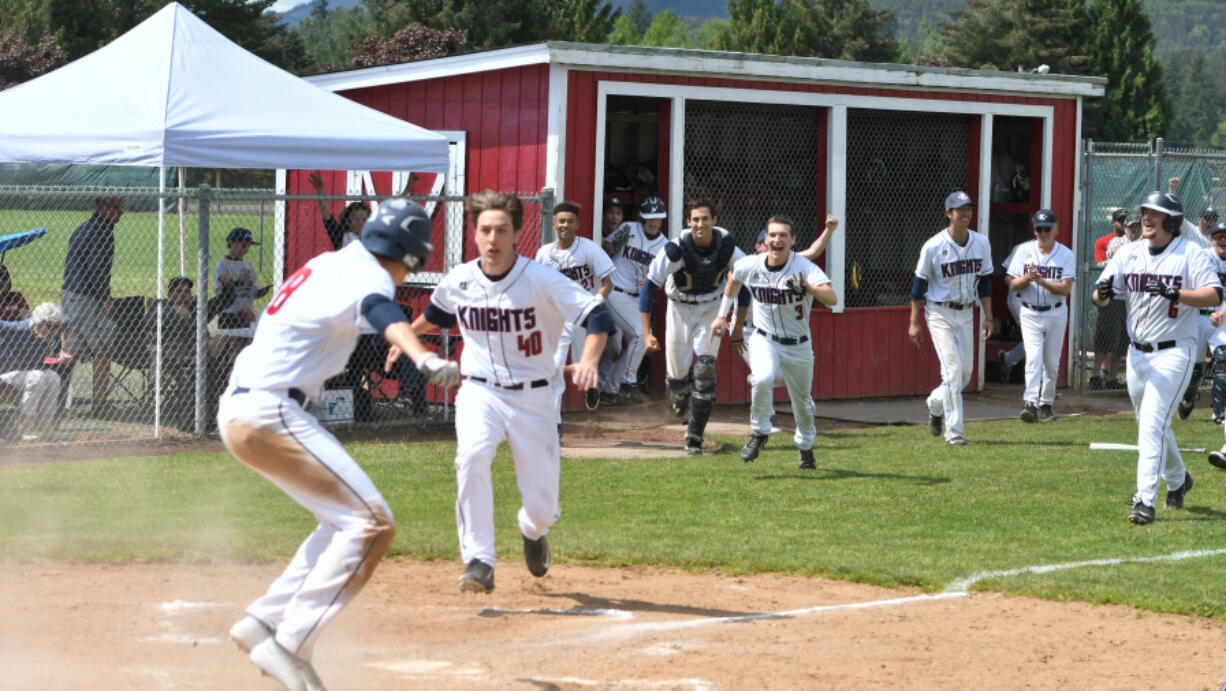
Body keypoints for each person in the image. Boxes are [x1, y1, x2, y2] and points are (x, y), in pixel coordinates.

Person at [219, 198, 460, 690]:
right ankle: (289, 644)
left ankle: (263, 621)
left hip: (246, 406)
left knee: (344, 520)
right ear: (408, 256)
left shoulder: (330, 262)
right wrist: (421, 355)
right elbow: (382, 310)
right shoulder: (368, 275)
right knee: (372, 523)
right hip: (269, 410)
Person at [410, 190, 613, 594]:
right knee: (470, 457)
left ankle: (531, 530)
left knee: (541, 508)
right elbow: (434, 316)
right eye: (485, 229)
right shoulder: (461, 279)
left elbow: (598, 315)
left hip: (534, 398)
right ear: (475, 233)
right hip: (479, 391)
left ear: (517, 232)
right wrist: (404, 338)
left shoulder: (541, 279)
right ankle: (479, 559)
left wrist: (589, 359)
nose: (492, 238)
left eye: (501, 229)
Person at [1093, 191, 1221, 525]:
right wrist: (1101, 295)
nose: (1147, 218)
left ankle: (1144, 500)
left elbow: (1215, 293)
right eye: (1145, 212)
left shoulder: (1191, 253)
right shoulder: (1129, 253)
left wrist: (1177, 293)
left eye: (1156, 213)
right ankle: (1179, 481)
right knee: (1153, 425)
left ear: (1173, 220)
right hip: (1137, 354)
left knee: (1152, 423)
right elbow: (1100, 295)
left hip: (1176, 351)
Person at [712, 215, 836, 468]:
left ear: (792, 240)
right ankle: (759, 433)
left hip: (799, 345)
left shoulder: (803, 266)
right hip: (764, 339)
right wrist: (720, 316)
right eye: (772, 235)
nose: (777, 239)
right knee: (762, 377)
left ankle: (805, 447)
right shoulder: (751, 264)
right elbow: (734, 279)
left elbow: (832, 298)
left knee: (802, 402)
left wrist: (809, 288)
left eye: (782, 235)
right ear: (765, 239)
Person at [639, 198, 747, 455]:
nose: (700, 224)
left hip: (712, 309)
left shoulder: (728, 248)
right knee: (677, 379)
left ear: (714, 221)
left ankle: (694, 437)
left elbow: (744, 289)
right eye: (695, 219)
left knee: (705, 371)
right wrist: (646, 333)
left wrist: (738, 329)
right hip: (679, 309)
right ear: (688, 222)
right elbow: (648, 290)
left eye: (705, 219)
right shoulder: (675, 250)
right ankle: (678, 392)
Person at [908, 191, 994, 446]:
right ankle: (954, 432)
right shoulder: (933, 246)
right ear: (949, 213)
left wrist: (988, 316)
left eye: (968, 208)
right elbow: (917, 288)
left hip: (967, 312)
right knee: (954, 370)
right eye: (959, 209)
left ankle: (935, 405)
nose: (965, 213)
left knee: (964, 374)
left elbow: (986, 282)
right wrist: (914, 322)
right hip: (939, 312)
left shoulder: (982, 243)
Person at [535, 200, 613, 439]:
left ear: (577, 224)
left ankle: (591, 387)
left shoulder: (588, 249)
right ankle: (555, 426)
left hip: (583, 314)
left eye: (569, 221)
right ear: (554, 224)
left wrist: (593, 306)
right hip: (557, 317)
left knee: (584, 367)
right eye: (561, 221)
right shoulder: (544, 253)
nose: (565, 225)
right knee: (555, 367)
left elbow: (607, 284)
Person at [1005, 209, 1076, 422]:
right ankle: (1031, 403)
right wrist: (1028, 277)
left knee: (1051, 362)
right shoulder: (1024, 251)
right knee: (1033, 359)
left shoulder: (1066, 254)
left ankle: (1046, 403)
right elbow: (1011, 282)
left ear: (1056, 230)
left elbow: (1065, 290)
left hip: (1056, 311)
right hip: (1030, 311)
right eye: (1039, 229)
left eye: (1047, 228)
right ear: (1034, 230)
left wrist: (1041, 281)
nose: (1043, 233)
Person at [599, 196, 670, 407]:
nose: (653, 222)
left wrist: (653, 281)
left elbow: (664, 280)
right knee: (641, 334)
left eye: (658, 218)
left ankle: (611, 390)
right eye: (649, 217)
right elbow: (605, 246)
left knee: (638, 340)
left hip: (637, 299)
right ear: (642, 217)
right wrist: (611, 246)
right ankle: (627, 381)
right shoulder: (629, 228)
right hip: (615, 292)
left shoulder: (665, 246)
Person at [142, 276, 236, 431]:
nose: (183, 295)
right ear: (170, 294)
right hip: (175, 356)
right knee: (199, 356)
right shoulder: (161, 306)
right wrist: (172, 311)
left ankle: (216, 408)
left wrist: (228, 286)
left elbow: (224, 301)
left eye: (187, 292)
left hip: (203, 354)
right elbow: (147, 321)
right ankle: (203, 411)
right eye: (178, 291)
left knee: (222, 338)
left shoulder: (197, 308)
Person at [61, 195, 122, 416]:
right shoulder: (100, 231)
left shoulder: (89, 227)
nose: (122, 211)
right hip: (86, 297)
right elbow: (97, 268)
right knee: (103, 348)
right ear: (103, 207)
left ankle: (56, 400)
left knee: (73, 348)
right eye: (117, 207)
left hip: (73, 294)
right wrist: (105, 296)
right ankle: (100, 404)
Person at [0, 302, 71, 441]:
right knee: (37, 376)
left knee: (53, 376)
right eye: (49, 327)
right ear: (37, 323)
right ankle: (25, 429)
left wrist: (64, 350)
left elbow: (69, 322)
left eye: (56, 327)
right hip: (4, 374)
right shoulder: (17, 330)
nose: (53, 331)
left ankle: (47, 429)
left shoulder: (56, 327)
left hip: (26, 375)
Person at [308, 170, 371, 250]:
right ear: (348, 222)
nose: (360, 223)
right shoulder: (342, 237)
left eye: (364, 219)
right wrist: (320, 192)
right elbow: (327, 218)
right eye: (356, 219)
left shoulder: (372, 239)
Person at [1202, 223, 1226, 428]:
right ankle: (1186, 399)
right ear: (1212, 239)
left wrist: (1221, 314)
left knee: (1222, 360)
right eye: (1219, 235)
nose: (1223, 239)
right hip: (1197, 316)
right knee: (1191, 368)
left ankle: (1219, 413)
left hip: (1220, 318)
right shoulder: (1203, 256)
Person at [997, 243, 1025, 384]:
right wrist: (1017, 284)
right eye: (1040, 229)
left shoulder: (1054, 251)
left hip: (1039, 302)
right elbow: (1005, 272)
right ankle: (1042, 384)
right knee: (1036, 338)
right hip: (1018, 300)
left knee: (1038, 339)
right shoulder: (1022, 248)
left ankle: (1007, 359)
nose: (1044, 233)